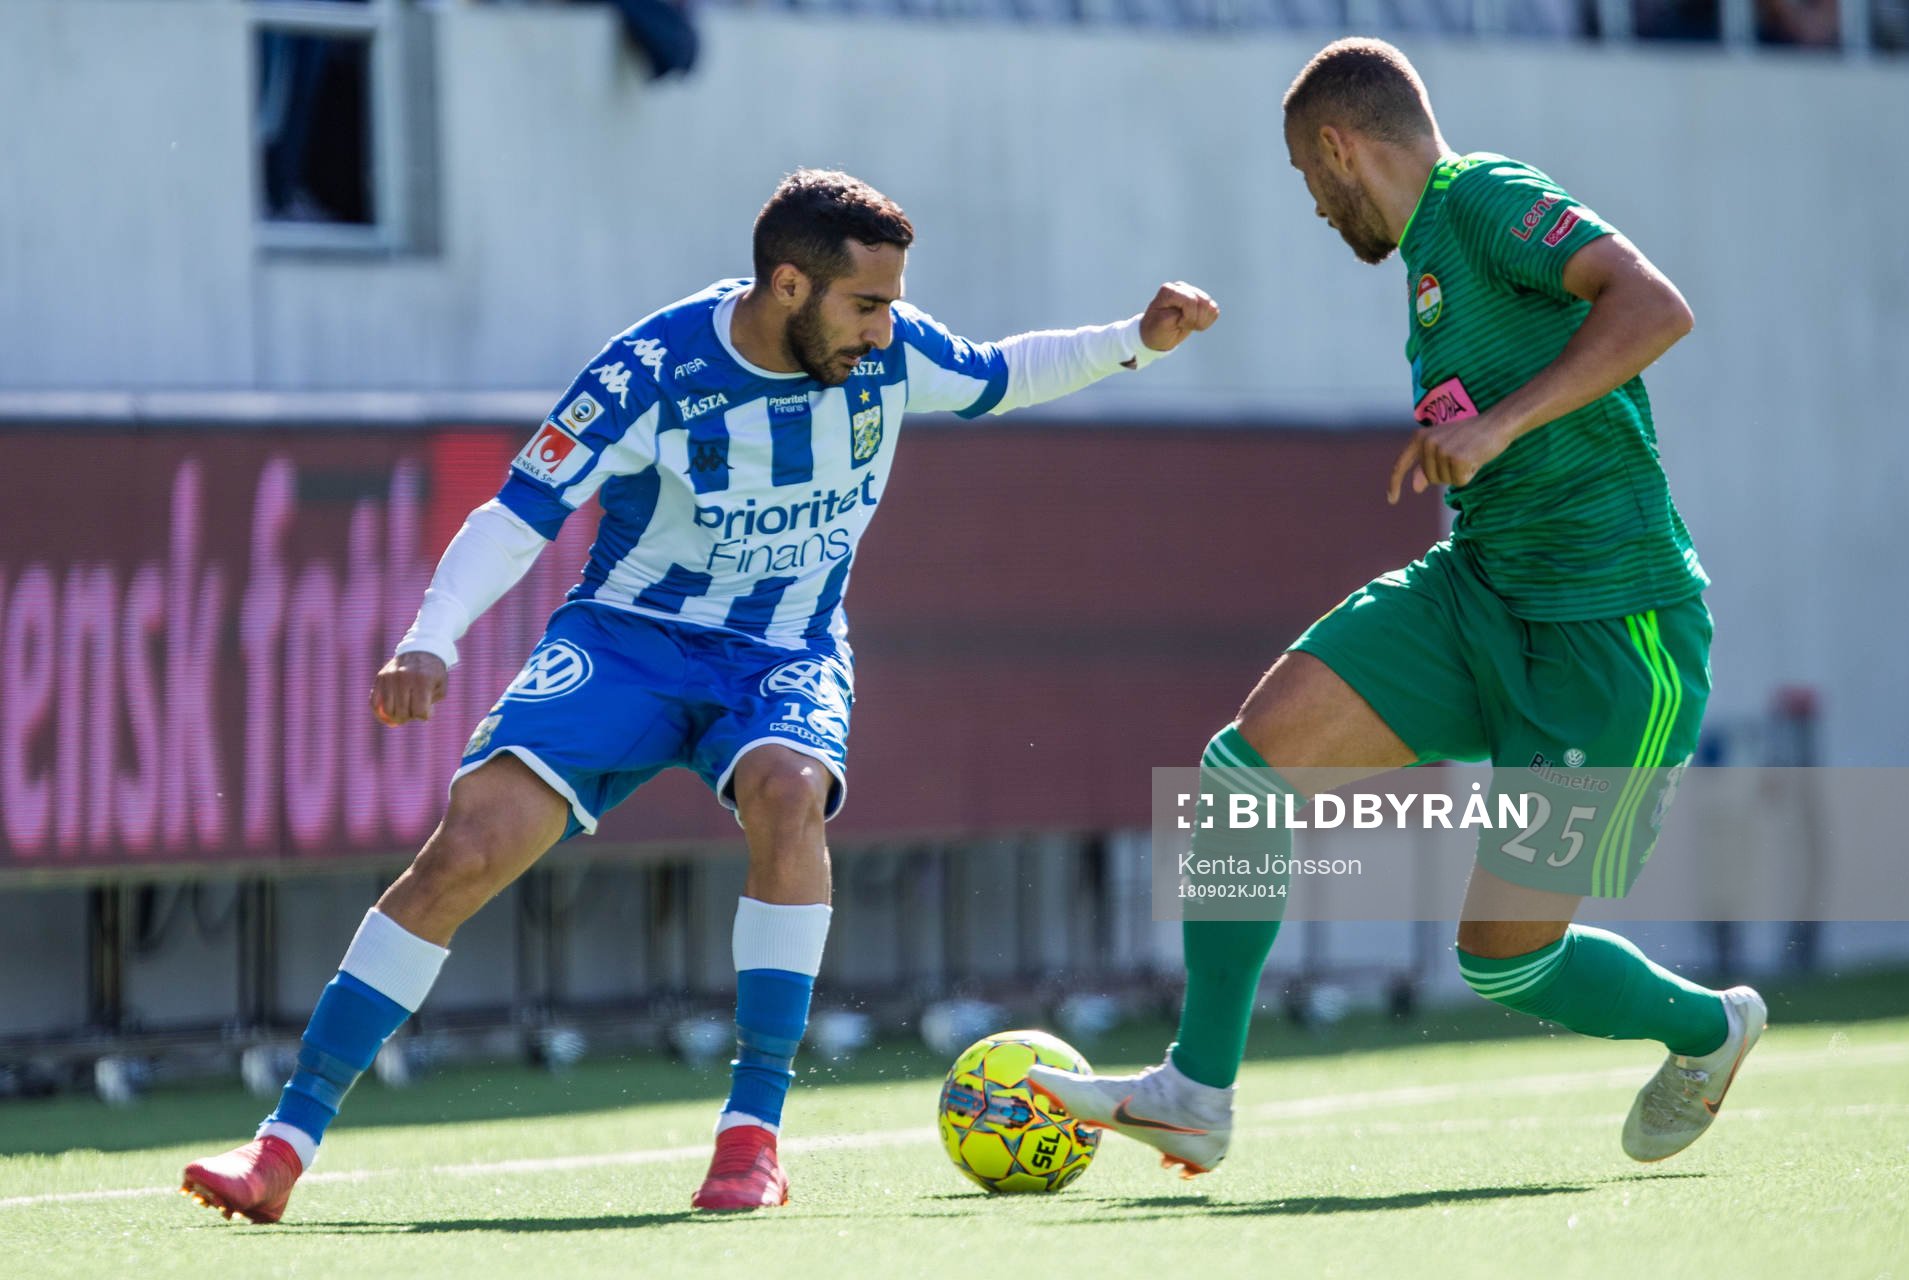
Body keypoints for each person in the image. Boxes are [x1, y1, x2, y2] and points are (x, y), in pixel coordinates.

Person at [180, 169, 1218, 1220]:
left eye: (894, 302)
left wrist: (1137, 335)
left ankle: (751, 1132)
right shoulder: (650, 371)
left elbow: (999, 372)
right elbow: (520, 509)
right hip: (629, 644)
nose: (886, 326)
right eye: (867, 303)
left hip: (783, 653)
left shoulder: (890, 353)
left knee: (786, 788)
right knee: (469, 844)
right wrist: (430, 638)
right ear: (787, 286)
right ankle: (284, 1141)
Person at [1031, 38, 1763, 1178]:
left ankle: (1709, 1029)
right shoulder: (1427, 262)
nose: (1315, 208)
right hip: (1479, 593)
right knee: (1242, 773)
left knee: (1506, 960)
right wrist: (1467, 438)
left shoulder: (1486, 199)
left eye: (1306, 180)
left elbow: (1656, 307)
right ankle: (1195, 1090)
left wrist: (1495, 425)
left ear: (1336, 147)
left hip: (1611, 633)